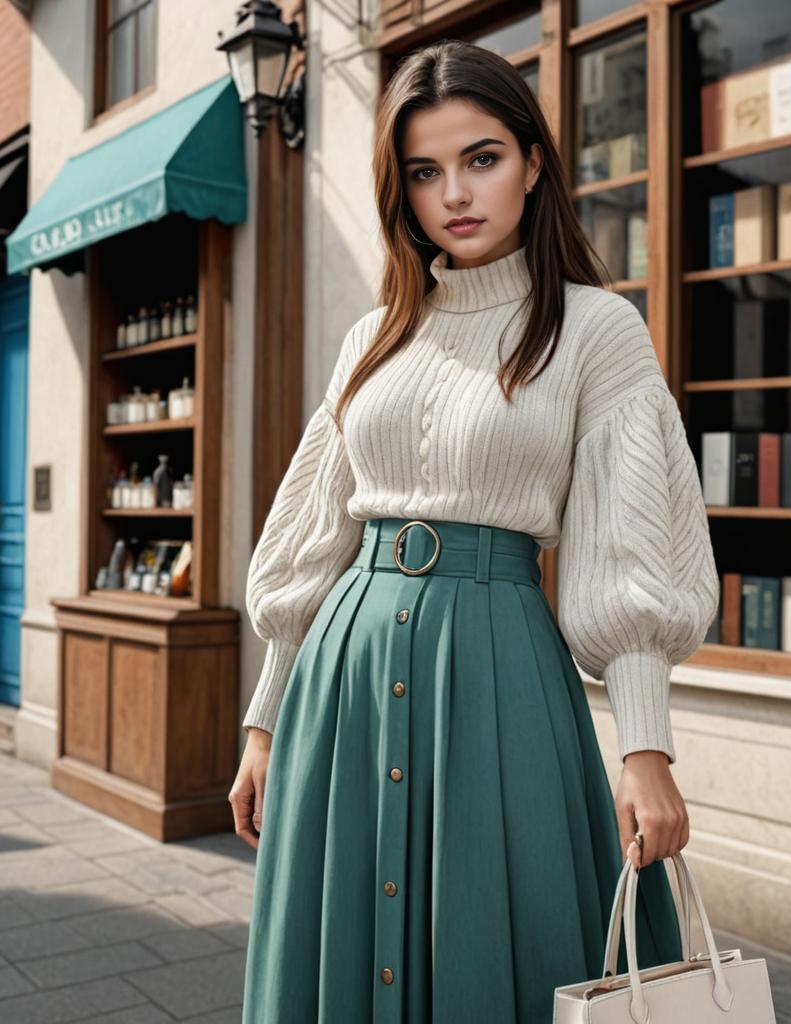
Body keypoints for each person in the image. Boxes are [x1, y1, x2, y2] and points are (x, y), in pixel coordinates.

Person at [230, 37, 720, 1024]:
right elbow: (315, 529)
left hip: (501, 684)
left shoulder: (593, 330)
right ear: (399, 189)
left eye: (481, 157)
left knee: (501, 944)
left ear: (533, 162)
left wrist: (646, 748)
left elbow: (628, 541)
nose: (453, 191)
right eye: (424, 171)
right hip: (344, 686)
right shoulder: (370, 337)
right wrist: (263, 717)